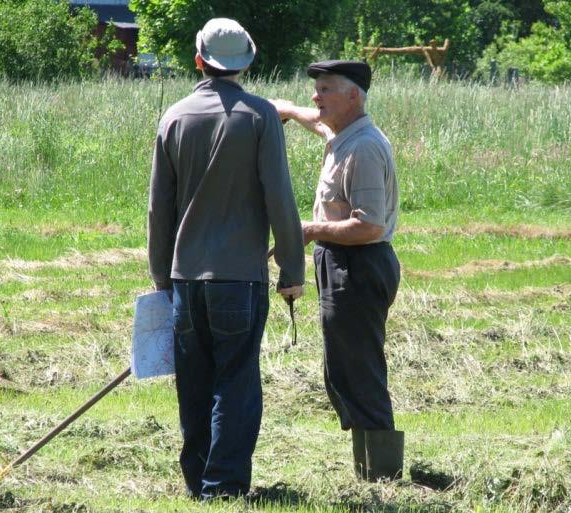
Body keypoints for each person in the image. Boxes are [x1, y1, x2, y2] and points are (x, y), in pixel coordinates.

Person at [147, 18, 305, 500]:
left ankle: (198, 483)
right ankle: (224, 488)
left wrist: (161, 277)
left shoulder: (173, 117)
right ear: (249, 62)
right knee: (235, 384)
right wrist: (293, 272)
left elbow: (160, 209)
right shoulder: (259, 117)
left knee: (194, 383)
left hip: (186, 279)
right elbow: (280, 199)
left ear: (199, 60)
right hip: (240, 279)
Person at [270, 60, 403, 481]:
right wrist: (289, 110)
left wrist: (308, 230)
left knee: (358, 370)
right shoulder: (341, 132)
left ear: (353, 97)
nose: (317, 96)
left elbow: (369, 225)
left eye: (325, 89)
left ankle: (381, 476)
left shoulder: (363, 148)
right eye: (316, 89)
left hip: (358, 265)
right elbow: (317, 122)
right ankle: (369, 471)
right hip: (343, 263)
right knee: (345, 368)